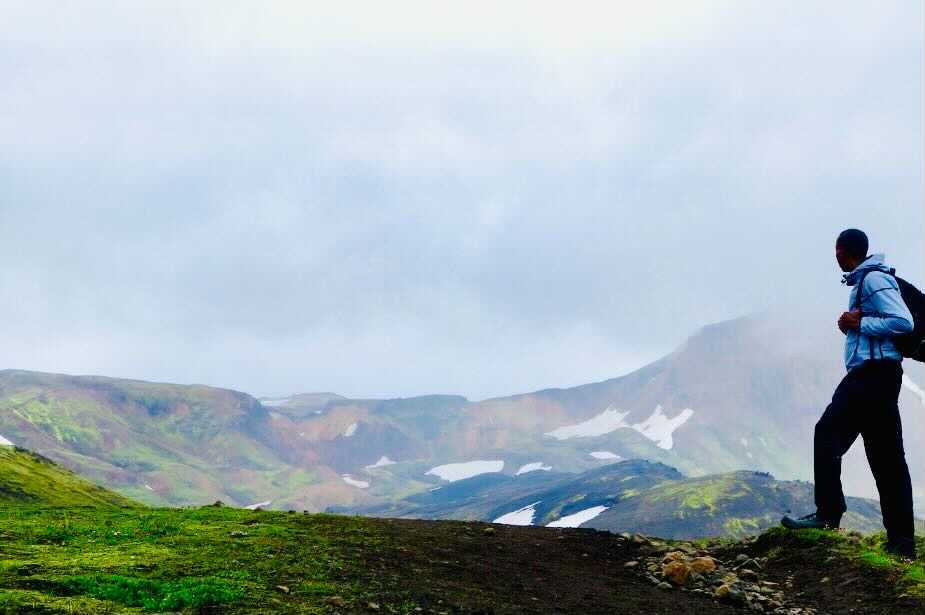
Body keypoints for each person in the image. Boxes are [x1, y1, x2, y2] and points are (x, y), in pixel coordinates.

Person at [781, 229, 916, 560]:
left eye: (836, 251)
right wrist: (856, 324)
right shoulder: (868, 280)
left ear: (843, 251)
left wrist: (860, 324)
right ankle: (902, 545)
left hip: (872, 375)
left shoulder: (872, 280)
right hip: (879, 376)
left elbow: (903, 321)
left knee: (828, 432)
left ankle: (828, 515)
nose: (835, 257)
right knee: (887, 458)